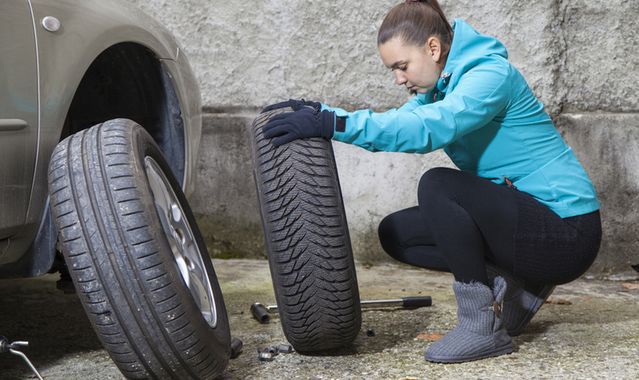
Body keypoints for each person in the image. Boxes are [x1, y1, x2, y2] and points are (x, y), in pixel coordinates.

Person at [261, 0, 601, 363]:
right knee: (397, 233)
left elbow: (430, 127)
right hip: (523, 221)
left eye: (402, 66)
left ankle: (480, 325)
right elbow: (394, 123)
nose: (398, 78)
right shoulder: (437, 90)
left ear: (433, 48)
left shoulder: (489, 76)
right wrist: (326, 114)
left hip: (567, 231)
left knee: (438, 186)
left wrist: (332, 123)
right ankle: (523, 285)